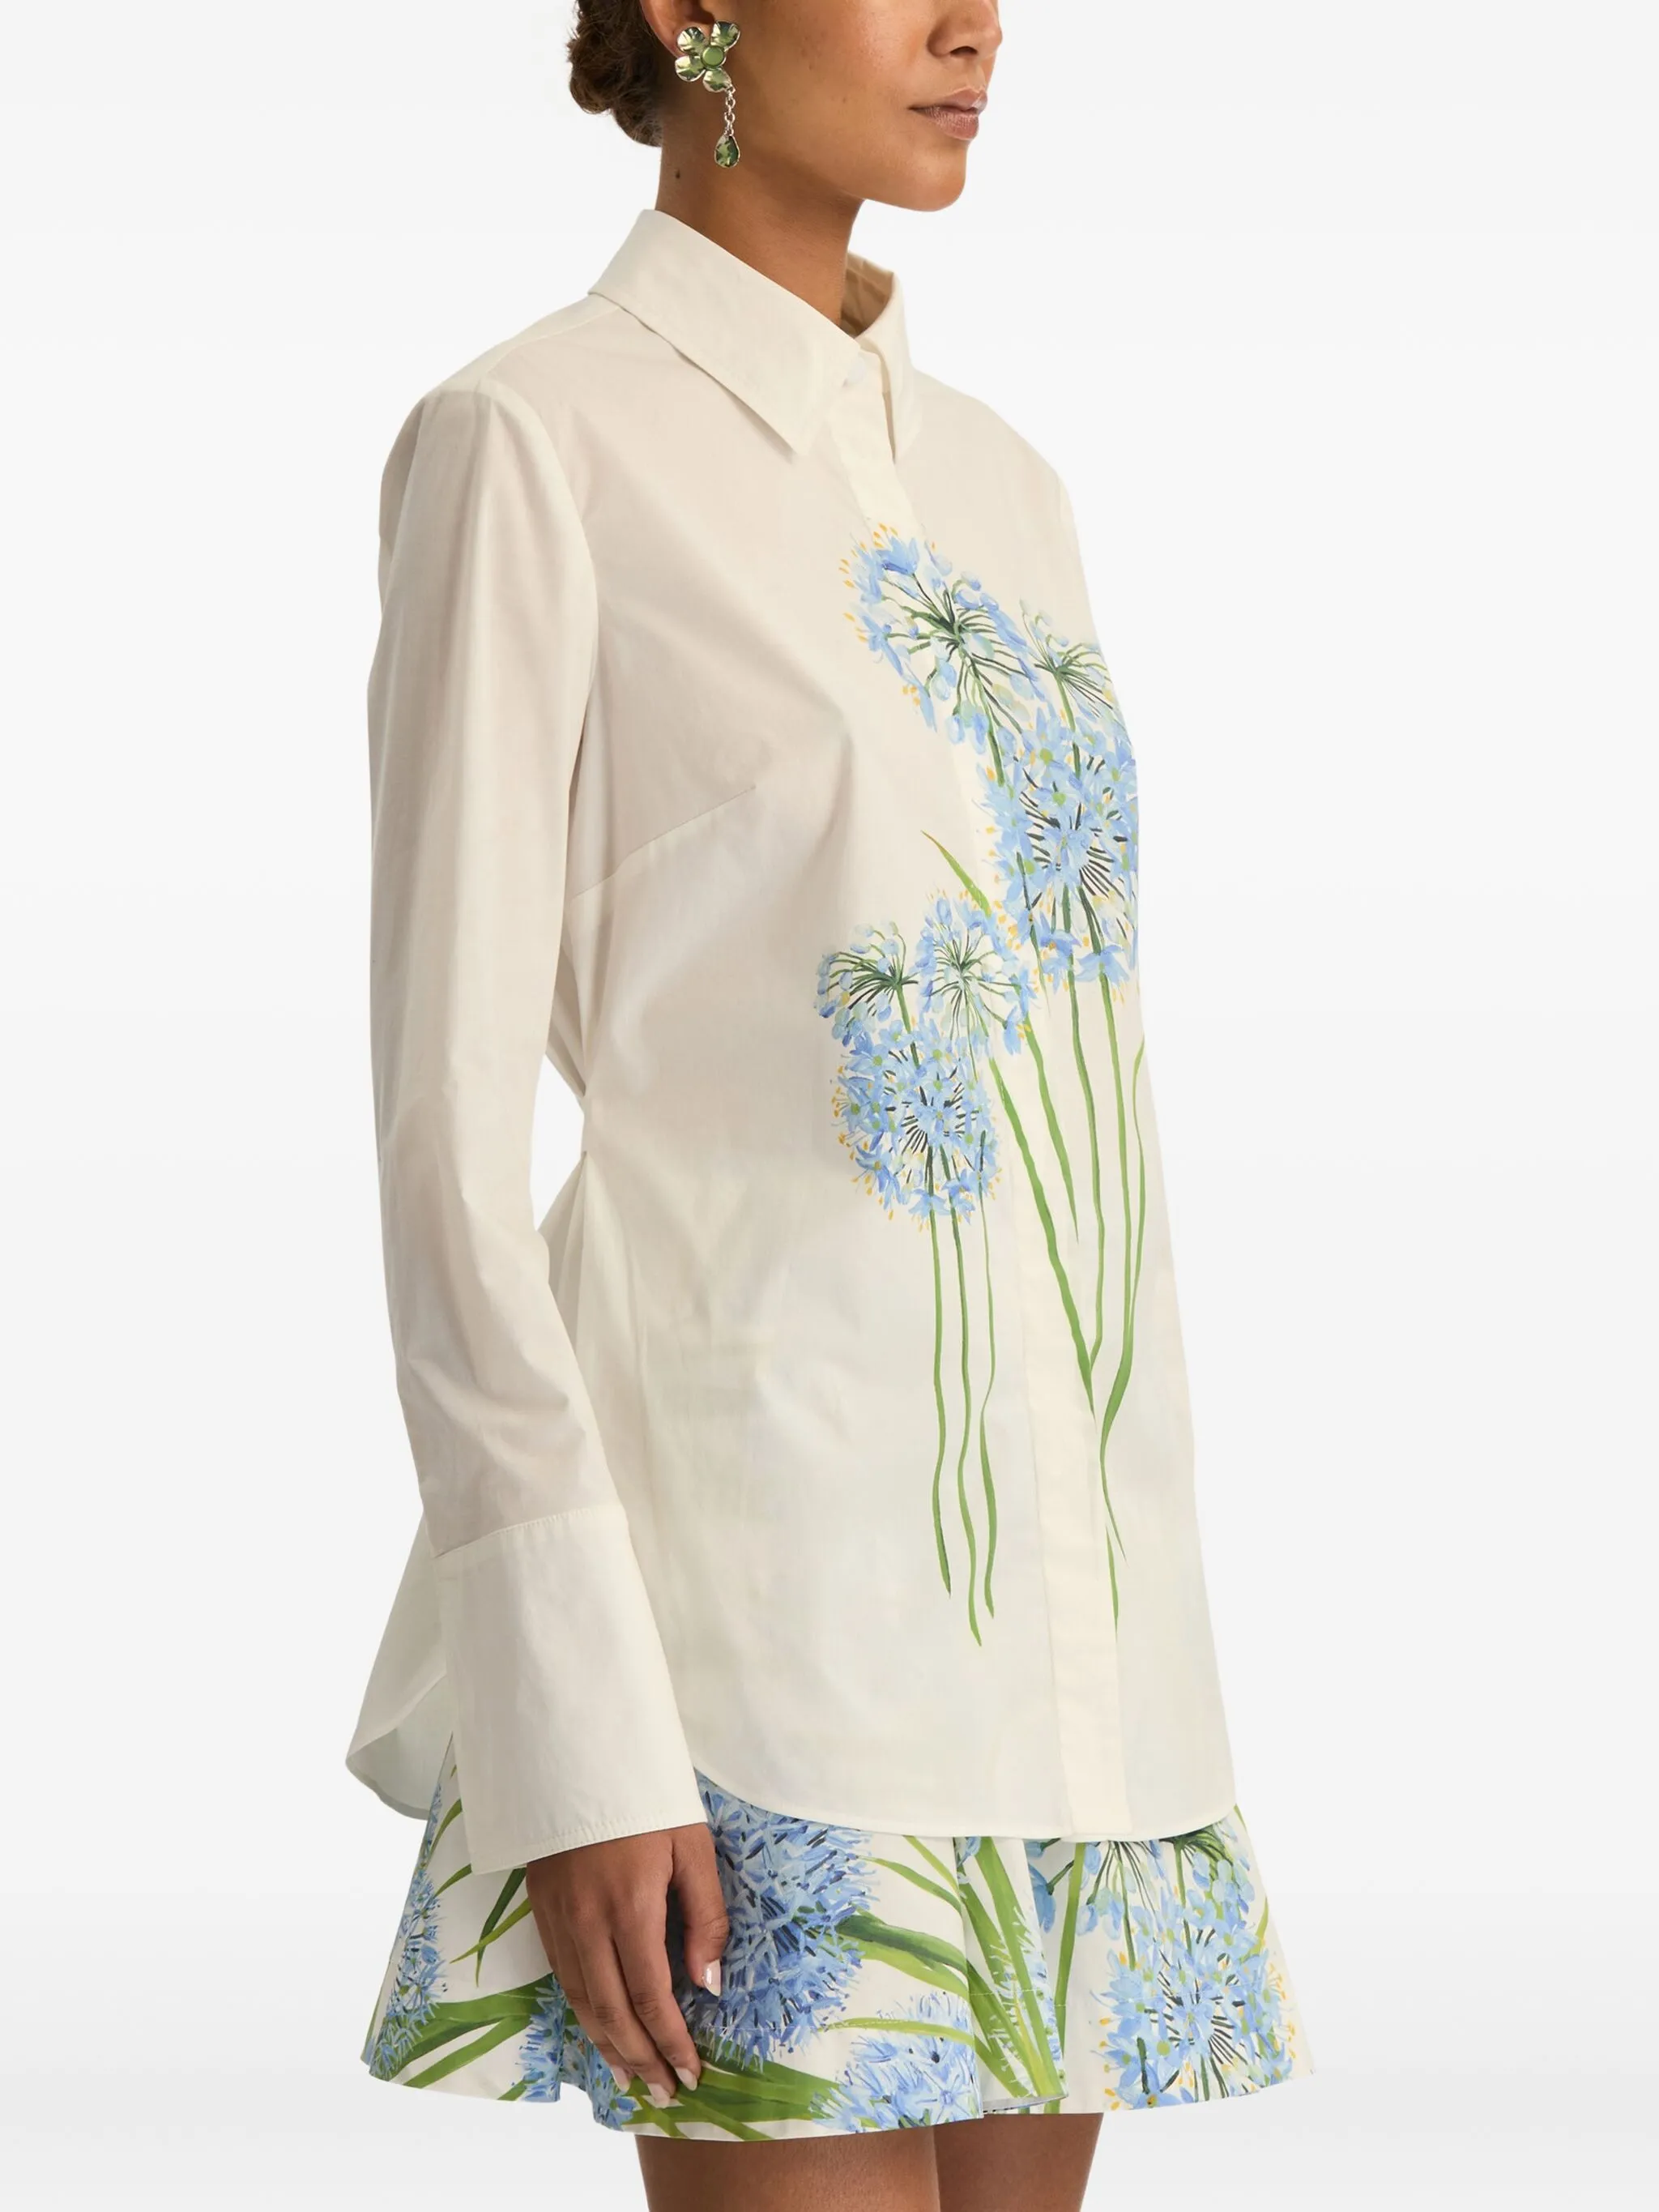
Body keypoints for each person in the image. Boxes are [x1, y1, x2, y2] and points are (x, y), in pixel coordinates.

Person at [349, 6, 1312, 2207]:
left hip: (1079, 1654)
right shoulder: (533, 443)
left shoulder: (1006, 487)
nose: (976, 24)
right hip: (753, 1642)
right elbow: (443, 1154)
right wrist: (573, 1726)